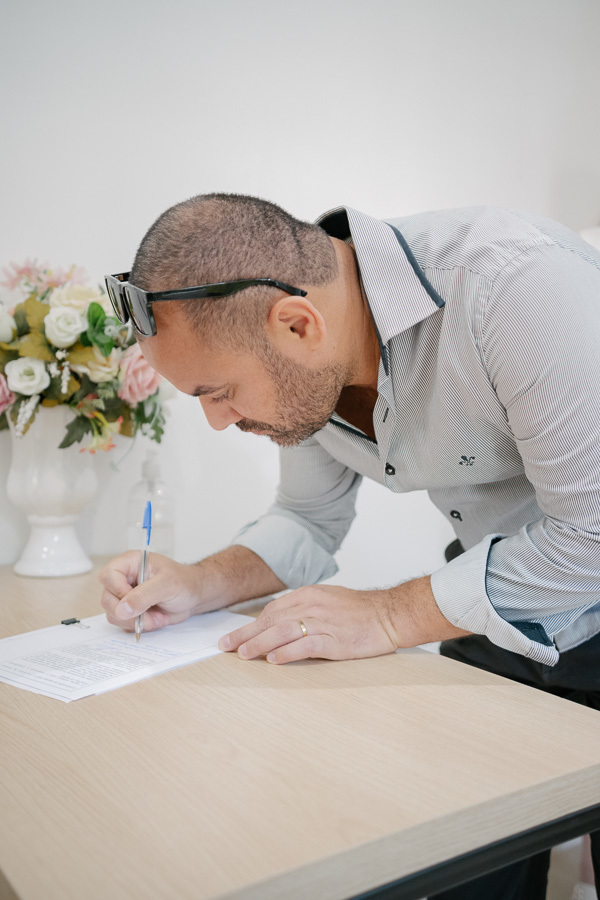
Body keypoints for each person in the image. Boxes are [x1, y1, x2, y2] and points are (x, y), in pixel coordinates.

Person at [100, 193, 600, 899]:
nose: (217, 421)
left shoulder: (513, 287)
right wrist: (198, 581)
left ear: (297, 324)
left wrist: (389, 617)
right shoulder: (315, 353)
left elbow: (593, 539)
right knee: (455, 862)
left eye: (219, 392)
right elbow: (307, 518)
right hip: (502, 604)